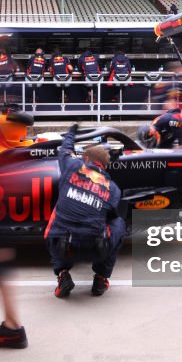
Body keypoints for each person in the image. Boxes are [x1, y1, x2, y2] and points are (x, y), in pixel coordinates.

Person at [46, 125, 124, 298]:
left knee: (56, 217)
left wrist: (71, 133)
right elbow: (110, 216)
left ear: (85, 158)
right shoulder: (113, 189)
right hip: (95, 249)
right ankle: (101, 278)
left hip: (64, 248)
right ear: (104, 166)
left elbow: (65, 149)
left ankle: (62, 274)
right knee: (119, 223)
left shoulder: (72, 166)